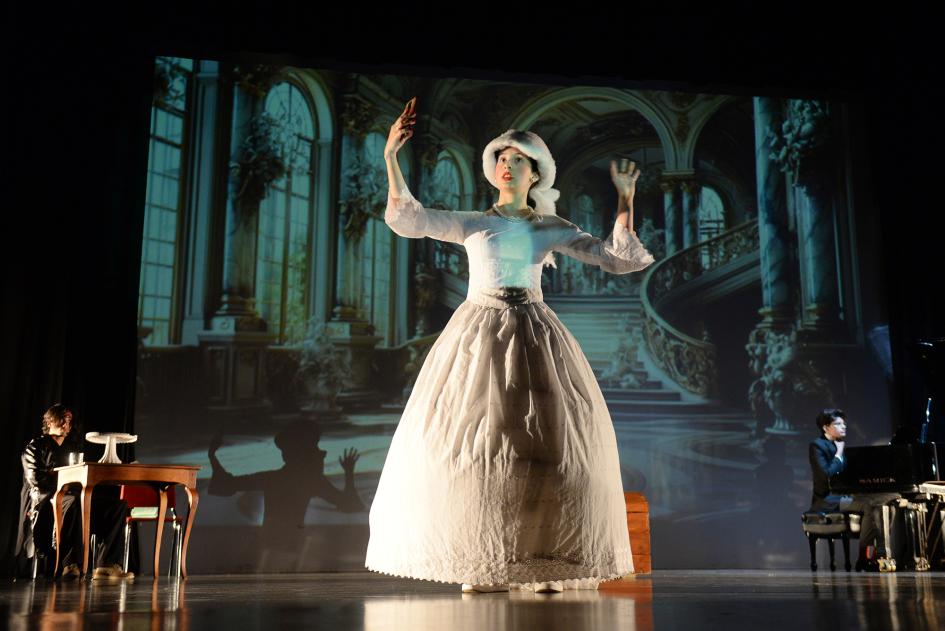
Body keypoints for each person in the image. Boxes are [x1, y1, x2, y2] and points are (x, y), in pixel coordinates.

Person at [364, 99, 655, 593]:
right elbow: (410, 218)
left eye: (516, 159)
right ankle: (483, 561)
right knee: (481, 445)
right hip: (479, 335)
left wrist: (625, 199)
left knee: (544, 445)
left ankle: (546, 561)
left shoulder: (548, 228)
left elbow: (615, 258)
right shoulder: (474, 222)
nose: (506, 165)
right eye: (500, 158)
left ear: (534, 172)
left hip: (533, 332)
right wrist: (392, 156)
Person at [17, 404, 132, 579]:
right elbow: (38, 481)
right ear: (49, 422)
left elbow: (82, 479)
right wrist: (68, 482)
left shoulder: (71, 449)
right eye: (61, 418)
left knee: (117, 506)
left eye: (68, 420)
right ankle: (70, 564)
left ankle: (107, 566)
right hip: (45, 499)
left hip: (75, 497)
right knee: (74, 502)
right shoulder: (35, 447)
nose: (65, 423)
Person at [809, 409, 900, 570]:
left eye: (844, 423)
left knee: (888, 504)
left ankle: (880, 555)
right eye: (838, 424)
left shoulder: (840, 446)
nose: (843, 427)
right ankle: (864, 558)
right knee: (869, 506)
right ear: (825, 427)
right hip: (828, 499)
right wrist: (838, 455)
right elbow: (825, 474)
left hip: (845, 496)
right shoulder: (817, 446)